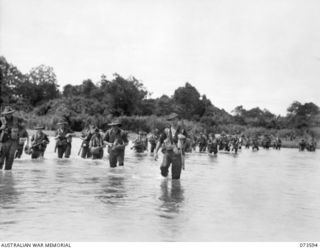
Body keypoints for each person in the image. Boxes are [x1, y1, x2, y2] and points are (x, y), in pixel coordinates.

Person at [154, 113, 188, 180]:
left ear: (177, 120)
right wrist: (155, 152)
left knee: (176, 177)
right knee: (163, 167)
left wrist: (184, 137)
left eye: (174, 119)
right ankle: (165, 179)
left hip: (177, 154)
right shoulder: (166, 130)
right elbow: (160, 141)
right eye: (170, 120)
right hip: (167, 153)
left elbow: (187, 142)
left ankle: (175, 188)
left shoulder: (182, 131)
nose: (172, 121)